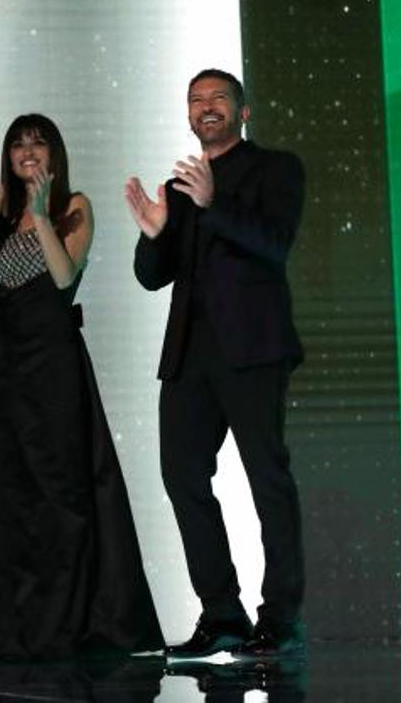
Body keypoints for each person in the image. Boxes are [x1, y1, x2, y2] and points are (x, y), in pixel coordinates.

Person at [0, 113, 163, 657]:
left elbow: (62, 277)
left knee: (62, 492)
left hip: (54, 362)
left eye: (38, 143)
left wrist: (39, 213)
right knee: (16, 497)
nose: (28, 151)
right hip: (9, 367)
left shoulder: (74, 207)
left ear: (55, 155)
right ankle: (23, 625)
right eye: (18, 144)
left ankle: (71, 622)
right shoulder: (1, 221)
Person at [125, 69, 306, 660]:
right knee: (182, 478)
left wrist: (213, 202)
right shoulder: (179, 187)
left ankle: (279, 618)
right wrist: (155, 235)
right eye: (196, 100)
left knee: (266, 480)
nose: (206, 108)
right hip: (188, 356)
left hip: (253, 349)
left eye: (218, 99)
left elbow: (274, 243)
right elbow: (153, 276)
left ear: (243, 111)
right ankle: (221, 615)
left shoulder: (276, 169)